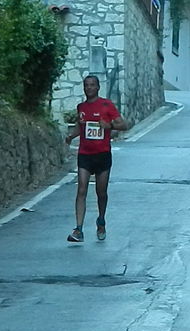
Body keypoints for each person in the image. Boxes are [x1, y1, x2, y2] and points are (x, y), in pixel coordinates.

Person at [65, 75, 128, 242]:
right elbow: (81, 125)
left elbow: (124, 124)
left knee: (101, 192)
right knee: (81, 190)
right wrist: (71, 136)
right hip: (85, 154)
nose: (89, 88)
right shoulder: (81, 107)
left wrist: (110, 126)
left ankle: (101, 220)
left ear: (98, 87)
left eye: (92, 85)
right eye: (86, 85)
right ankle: (78, 229)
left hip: (102, 155)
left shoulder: (107, 105)